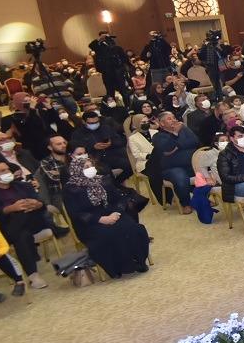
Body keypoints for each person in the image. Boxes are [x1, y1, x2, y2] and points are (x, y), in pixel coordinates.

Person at [0, 159, 61, 289]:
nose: (8, 172)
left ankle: (33, 276)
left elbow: (40, 203)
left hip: (33, 223)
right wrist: (9, 209)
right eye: (3, 171)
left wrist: (37, 204)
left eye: (8, 169)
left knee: (22, 218)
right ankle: (33, 275)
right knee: (22, 234)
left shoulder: (23, 185)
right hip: (4, 227)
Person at [63, 148, 150, 278]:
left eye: (91, 166)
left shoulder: (103, 180)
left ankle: (138, 260)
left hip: (113, 213)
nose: (90, 169)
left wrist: (116, 213)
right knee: (110, 235)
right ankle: (122, 266)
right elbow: (76, 213)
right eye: (86, 167)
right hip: (90, 222)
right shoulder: (71, 189)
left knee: (133, 229)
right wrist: (101, 219)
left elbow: (119, 199)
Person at [152, 111, 199, 214]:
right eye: (169, 119)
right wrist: (175, 134)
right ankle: (186, 204)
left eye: (174, 117)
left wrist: (178, 146)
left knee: (203, 173)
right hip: (171, 168)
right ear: (162, 123)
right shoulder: (158, 136)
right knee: (180, 177)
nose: (173, 120)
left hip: (191, 164)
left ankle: (202, 199)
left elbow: (195, 142)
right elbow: (168, 148)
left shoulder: (184, 129)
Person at [69, 109, 127, 181]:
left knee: (130, 165)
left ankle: (118, 182)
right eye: (91, 123)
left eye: (96, 122)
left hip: (112, 154)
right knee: (106, 171)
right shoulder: (77, 134)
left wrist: (111, 143)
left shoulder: (105, 128)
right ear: (84, 122)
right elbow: (77, 149)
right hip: (96, 159)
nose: (95, 124)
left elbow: (120, 141)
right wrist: (93, 147)